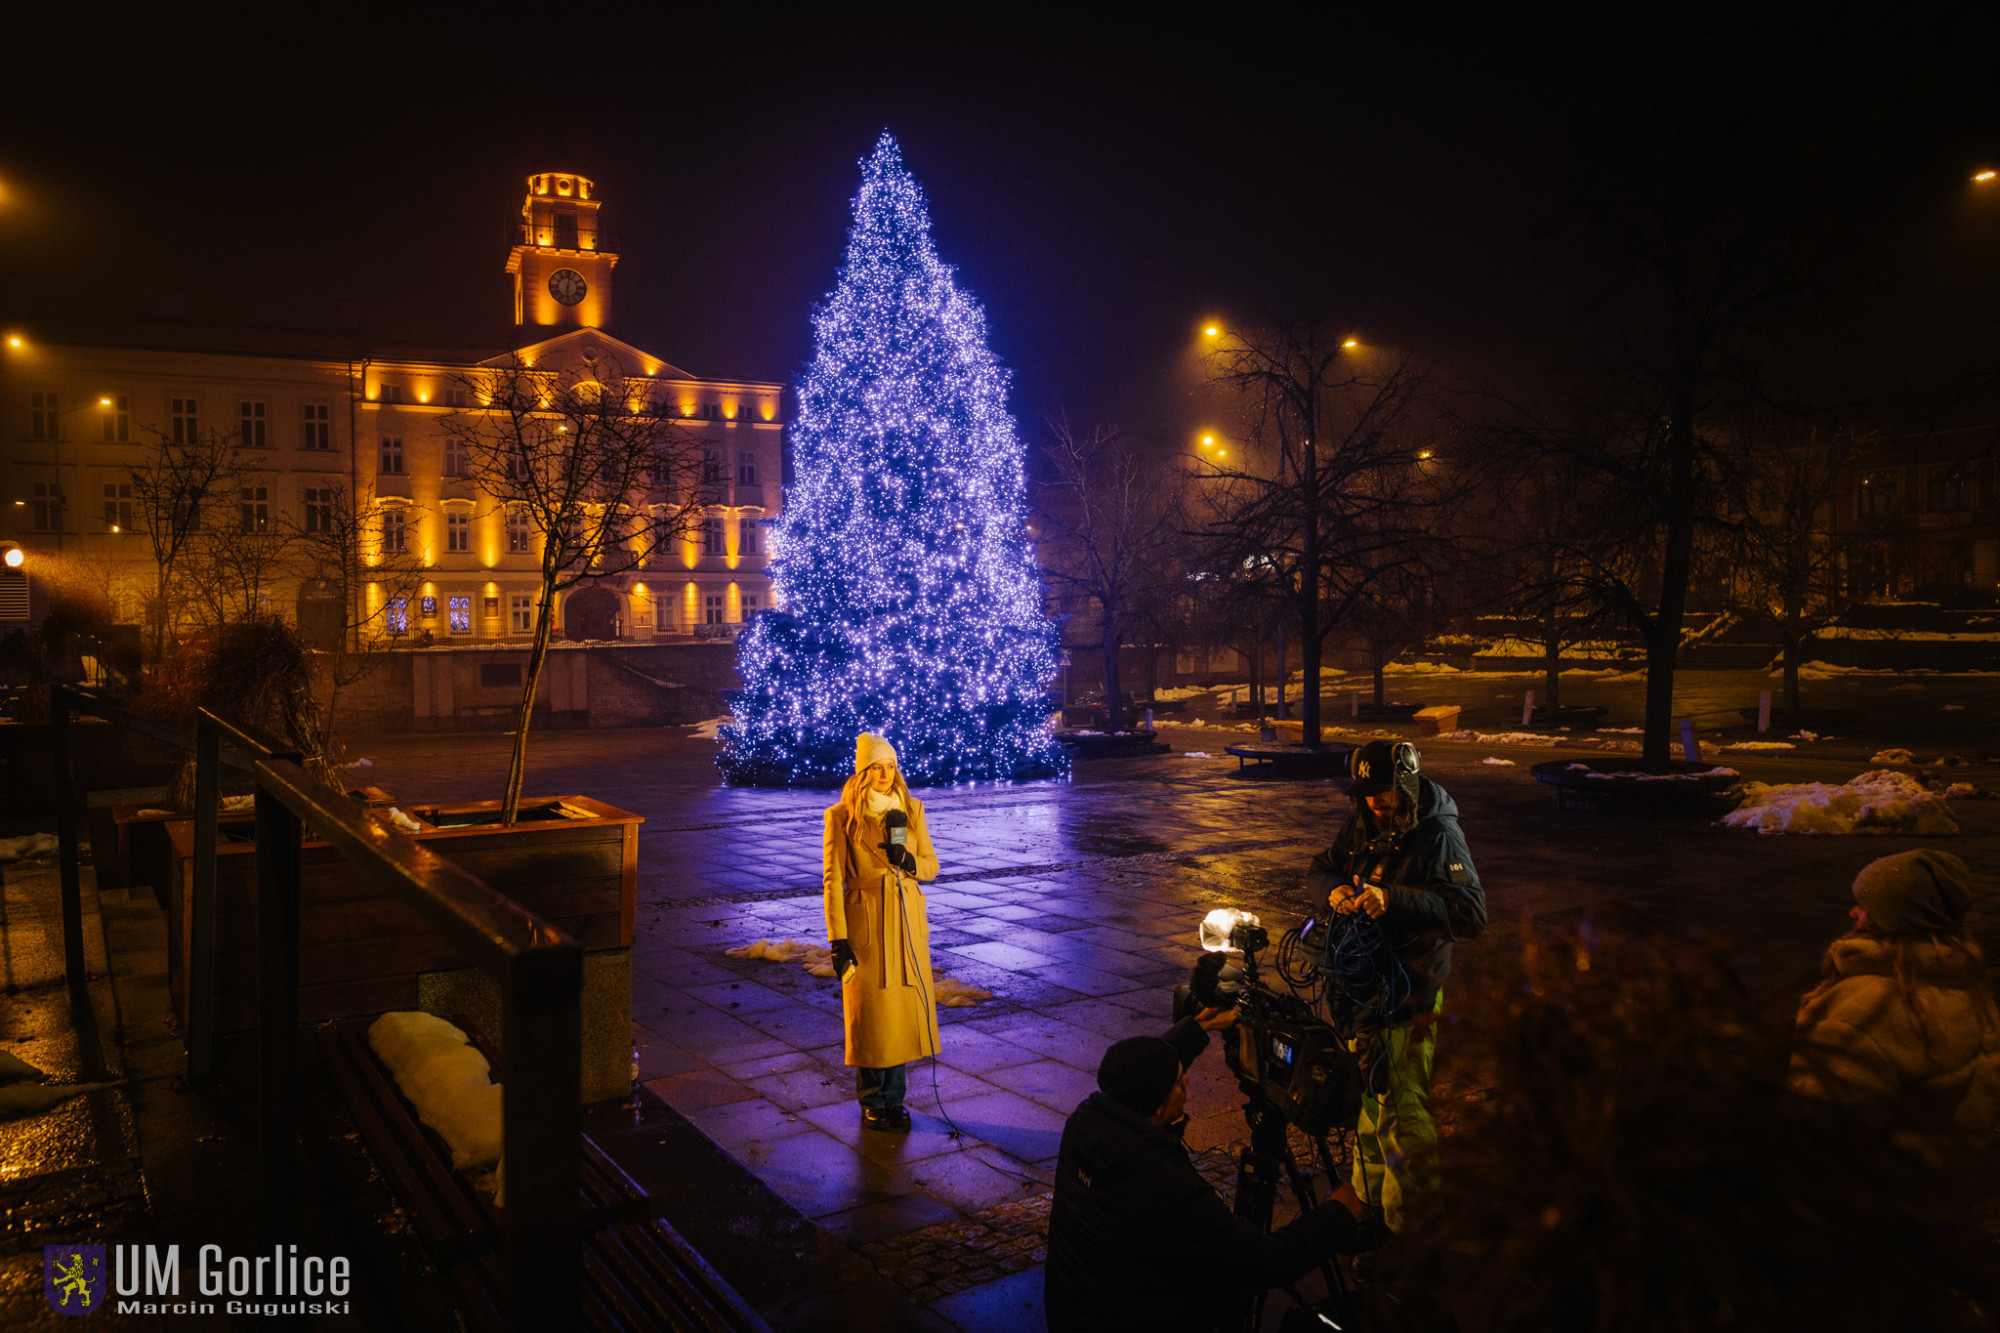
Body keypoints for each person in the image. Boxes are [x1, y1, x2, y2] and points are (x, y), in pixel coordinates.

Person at [1044, 1008, 1364, 1332]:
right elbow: (1268, 1262)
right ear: (1158, 1107)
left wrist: (1197, 1028)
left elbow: (1139, 1078)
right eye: (1178, 1082)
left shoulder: (1084, 1124)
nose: (1186, 1081)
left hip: (1070, 1313)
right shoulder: (1166, 1185)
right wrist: (1339, 1213)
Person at [1305, 739, 1485, 1237]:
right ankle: (1370, 1204)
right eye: (1365, 794)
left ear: (1406, 782)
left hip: (1409, 993)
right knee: (1369, 1102)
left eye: (1382, 792)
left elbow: (1470, 913)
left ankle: (1415, 1232)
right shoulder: (1362, 821)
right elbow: (1320, 868)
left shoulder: (1438, 834)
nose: (1373, 802)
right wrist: (1334, 891)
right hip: (1360, 990)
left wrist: (1394, 901)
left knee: (1403, 1112)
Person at [1790, 848, 2000, 1140]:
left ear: (1892, 920)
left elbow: (1826, 1120)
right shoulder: (1968, 987)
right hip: (1947, 1159)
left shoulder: (1869, 1008)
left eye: (1865, 906)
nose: (1853, 912)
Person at [823, 733, 940, 1131]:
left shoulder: (911, 809)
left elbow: (931, 865)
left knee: (901, 1013)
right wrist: (838, 939)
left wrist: (908, 860)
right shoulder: (841, 816)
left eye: (891, 767)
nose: (886, 775)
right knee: (873, 1016)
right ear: (864, 772)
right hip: (867, 922)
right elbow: (833, 881)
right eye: (877, 768)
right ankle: (873, 1098)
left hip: (906, 920)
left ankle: (895, 1097)